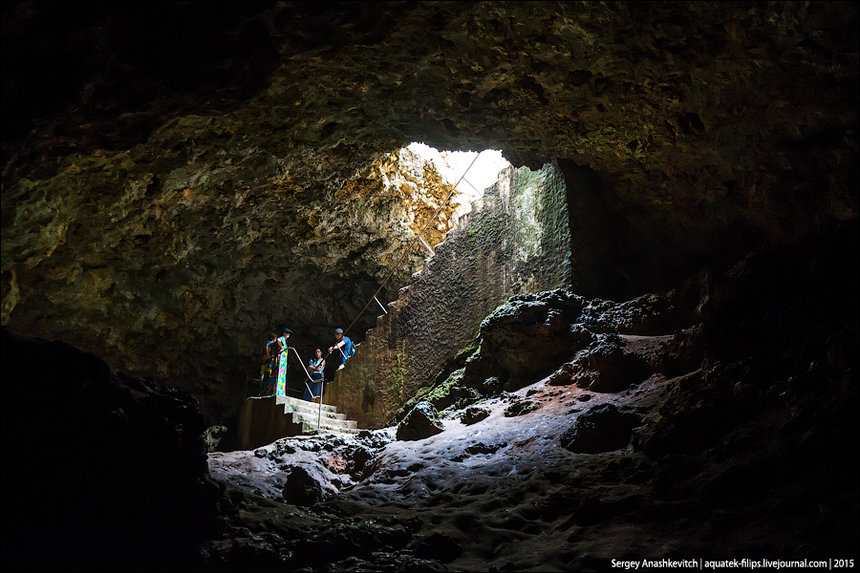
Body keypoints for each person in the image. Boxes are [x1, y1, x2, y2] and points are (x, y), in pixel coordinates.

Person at [275, 327, 293, 397]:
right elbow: (278, 340)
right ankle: (278, 391)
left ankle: (281, 391)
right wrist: (282, 347)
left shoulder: (285, 341)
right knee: (280, 374)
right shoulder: (282, 338)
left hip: (283, 361)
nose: (288, 335)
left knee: (282, 375)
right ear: (284, 333)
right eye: (287, 333)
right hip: (281, 360)